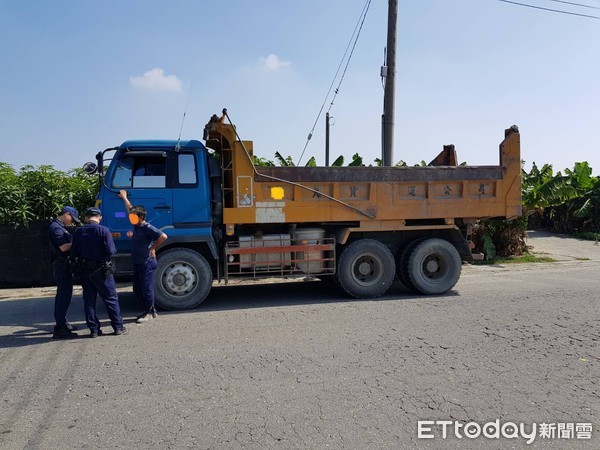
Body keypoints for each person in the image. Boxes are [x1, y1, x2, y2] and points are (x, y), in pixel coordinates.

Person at [70, 207, 126, 337]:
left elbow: (73, 252)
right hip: (102, 270)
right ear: (99, 217)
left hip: (84, 270)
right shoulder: (103, 230)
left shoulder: (78, 231)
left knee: (89, 301)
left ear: (86, 217)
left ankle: (94, 330)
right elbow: (111, 251)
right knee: (111, 298)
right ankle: (118, 327)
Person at [118, 190, 168, 323]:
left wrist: (152, 247)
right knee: (138, 288)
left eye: (133, 216)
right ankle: (150, 310)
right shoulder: (137, 226)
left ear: (140, 217)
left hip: (147, 262)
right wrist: (124, 197)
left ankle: (150, 312)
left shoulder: (147, 227)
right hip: (138, 262)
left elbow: (163, 236)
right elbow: (130, 208)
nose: (131, 217)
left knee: (146, 288)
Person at [47, 206, 81, 339]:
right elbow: (63, 247)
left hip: (64, 264)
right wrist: (79, 241)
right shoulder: (56, 228)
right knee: (63, 296)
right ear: (67, 214)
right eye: (72, 218)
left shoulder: (58, 226)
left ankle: (63, 323)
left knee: (65, 295)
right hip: (62, 265)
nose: (72, 222)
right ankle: (60, 328)